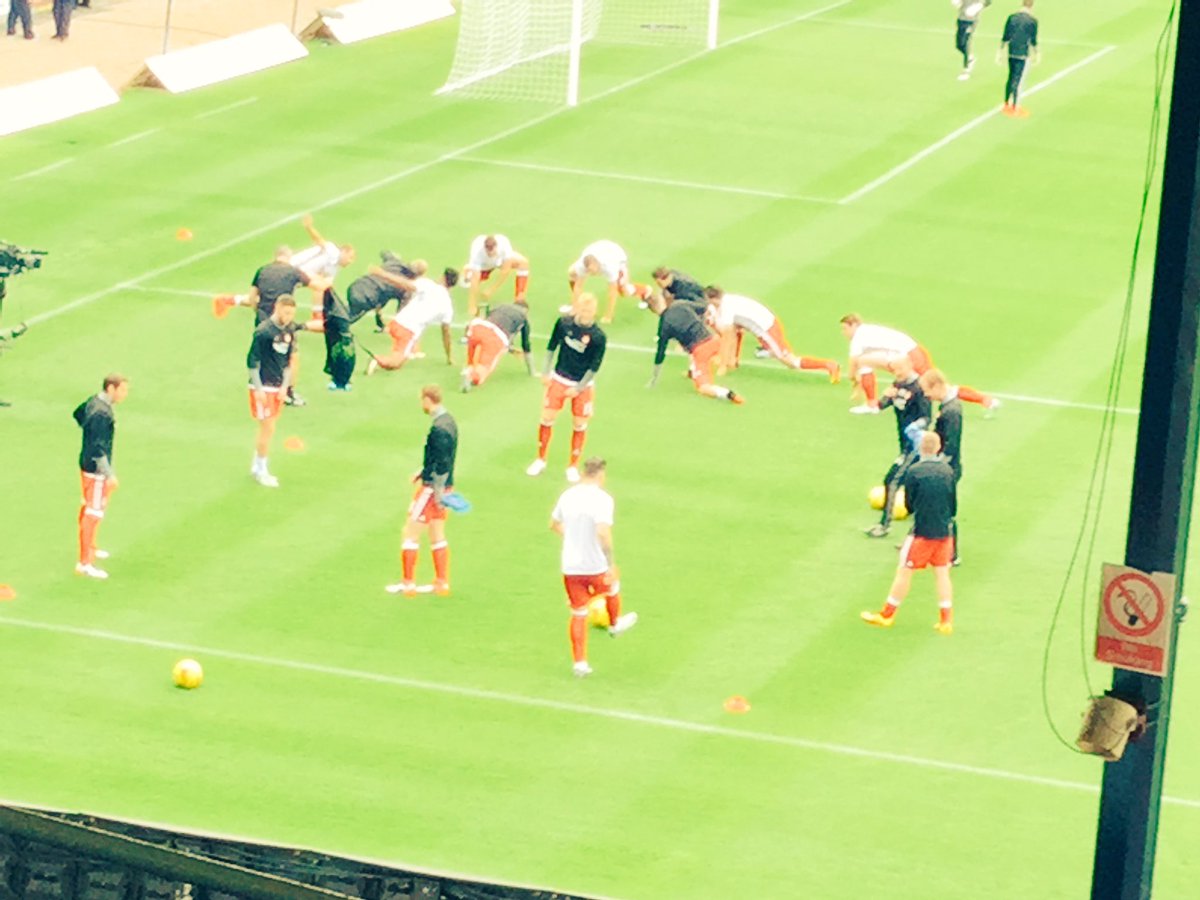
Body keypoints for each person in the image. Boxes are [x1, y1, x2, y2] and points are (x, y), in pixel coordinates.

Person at [861, 431, 956, 634]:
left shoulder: (914, 471)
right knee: (942, 573)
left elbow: (908, 504)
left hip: (922, 532)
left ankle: (887, 615)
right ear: (938, 448)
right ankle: (946, 620)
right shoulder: (948, 471)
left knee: (904, 571)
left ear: (921, 447)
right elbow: (952, 502)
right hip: (944, 531)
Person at [550, 456, 638, 677]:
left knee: (578, 613)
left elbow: (554, 525)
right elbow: (603, 532)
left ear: (583, 473)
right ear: (600, 475)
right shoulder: (603, 499)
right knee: (612, 587)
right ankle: (614, 624)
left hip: (571, 565)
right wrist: (610, 563)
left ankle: (579, 664)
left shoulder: (567, 496)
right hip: (595, 564)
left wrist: (573, 539)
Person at [839, 313, 996, 414]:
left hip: (909, 356)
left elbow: (853, 365)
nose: (844, 333)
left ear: (854, 325)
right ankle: (872, 403)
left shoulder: (858, 338)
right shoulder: (869, 330)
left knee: (935, 388)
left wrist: (853, 381)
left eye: (845, 329)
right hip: (911, 351)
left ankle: (983, 399)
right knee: (865, 363)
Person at [526, 293, 606, 483]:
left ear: (594, 311)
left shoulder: (598, 336)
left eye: (589, 310)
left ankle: (572, 466)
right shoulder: (564, 324)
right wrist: (545, 372)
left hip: (583, 384)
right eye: (583, 309)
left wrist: (578, 388)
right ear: (577, 307)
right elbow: (551, 346)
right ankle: (540, 460)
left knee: (579, 423)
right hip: (560, 377)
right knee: (547, 417)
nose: (586, 313)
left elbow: (594, 367)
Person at [386, 385, 457, 597]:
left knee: (410, 532)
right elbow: (441, 458)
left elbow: (441, 463)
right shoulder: (450, 421)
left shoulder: (439, 429)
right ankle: (441, 582)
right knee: (437, 533)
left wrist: (436, 492)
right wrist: (422, 471)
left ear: (427, 400)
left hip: (432, 489)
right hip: (444, 486)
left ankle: (408, 583)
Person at [705, 286, 840, 381]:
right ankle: (735, 361)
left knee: (790, 362)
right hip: (766, 326)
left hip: (767, 330)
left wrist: (722, 366)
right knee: (784, 357)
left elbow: (728, 337)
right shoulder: (729, 300)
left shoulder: (727, 308)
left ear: (714, 299)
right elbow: (735, 332)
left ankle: (829, 365)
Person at [865, 356, 931, 538]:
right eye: (894, 370)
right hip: (904, 445)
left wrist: (915, 429)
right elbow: (880, 406)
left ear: (909, 366)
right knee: (913, 485)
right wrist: (885, 397)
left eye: (900, 369)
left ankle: (884, 525)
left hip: (915, 446)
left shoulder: (919, 388)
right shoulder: (898, 384)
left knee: (892, 480)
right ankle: (918, 522)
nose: (897, 373)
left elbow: (927, 417)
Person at [72, 374, 129, 579]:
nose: (125, 394)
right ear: (111, 389)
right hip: (96, 470)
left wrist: (87, 433)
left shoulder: (94, 402)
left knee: (91, 508)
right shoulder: (101, 413)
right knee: (93, 512)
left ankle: (91, 548)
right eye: (122, 390)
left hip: (87, 462)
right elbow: (98, 448)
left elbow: (78, 413)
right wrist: (109, 474)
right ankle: (84, 563)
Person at [648, 296, 743, 404]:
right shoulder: (680, 304)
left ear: (653, 311)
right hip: (714, 340)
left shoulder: (664, 325)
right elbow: (703, 308)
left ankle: (728, 394)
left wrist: (655, 377)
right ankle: (695, 370)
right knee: (700, 359)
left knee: (703, 387)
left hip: (700, 351)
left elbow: (660, 354)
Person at [364, 263, 457, 374]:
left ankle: (410, 351)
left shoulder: (427, 284)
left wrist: (382, 274)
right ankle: (376, 360)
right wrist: (449, 357)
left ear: (443, 277)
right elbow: (446, 333)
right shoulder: (447, 306)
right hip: (408, 331)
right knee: (396, 363)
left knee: (405, 348)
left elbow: (404, 284)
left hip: (396, 322)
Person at [247, 296, 299, 488]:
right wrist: (258, 388)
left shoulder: (289, 330)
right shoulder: (263, 331)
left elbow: (287, 362)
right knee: (267, 428)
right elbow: (252, 362)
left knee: (270, 427)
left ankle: (256, 466)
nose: (288, 317)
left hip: (277, 387)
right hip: (263, 386)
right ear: (277, 308)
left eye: (291, 314)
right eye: (286, 313)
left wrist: (285, 387)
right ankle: (262, 470)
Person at [920, 367, 964, 565]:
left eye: (927, 391)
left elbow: (951, 445)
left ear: (936, 386)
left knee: (945, 512)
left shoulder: (951, 410)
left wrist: (937, 467)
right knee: (930, 507)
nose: (926, 396)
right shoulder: (947, 406)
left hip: (947, 470)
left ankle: (952, 555)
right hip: (943, 468)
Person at [568, 240, 654, 323]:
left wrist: (608, 316)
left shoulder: (610, 267)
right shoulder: (581, 265)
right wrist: (575, 309)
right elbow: (578, 286)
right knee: (572, 273)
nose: (592, 274)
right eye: (589, 271)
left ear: (598, 265)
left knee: (623, 290)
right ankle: (579, 304)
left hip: (617, 256)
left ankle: (645, 290)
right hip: (600, 248)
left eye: (594, 271)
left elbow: (612, 291)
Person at [289, 214, 355, 323]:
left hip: (302, 274)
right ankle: (317, 316)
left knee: (322, 286)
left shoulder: (335, 267)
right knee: (320, 285)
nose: (350, 262)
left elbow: (328, 283)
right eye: (350, 257)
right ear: (344, 252)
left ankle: (320, 314)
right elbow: (319, 240)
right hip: (295, 267)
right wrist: (309, 227)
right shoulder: (333, 251)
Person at [462, 299, 532, 391]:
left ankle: (469, 369)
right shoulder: (523, 318)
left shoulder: (501, 306)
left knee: (472, 356)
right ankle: (472, 376)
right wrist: (532, 371)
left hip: (477, 326)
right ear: (525, 310)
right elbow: (526, 345)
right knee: (486, 366)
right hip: (496, 336)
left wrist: (510, 349)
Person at [462, 233, 530, 318]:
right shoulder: (477, 253)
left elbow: (506, 270)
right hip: (484, 265)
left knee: (523, 263)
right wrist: (472, 305)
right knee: (473, 281)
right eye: (488, 252)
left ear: (496, 246)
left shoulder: (504, 244)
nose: (490, 253)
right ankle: (468, 271)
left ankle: (519, 297)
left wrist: (491, 289)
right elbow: (475, 279)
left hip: (499, 261)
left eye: (492, 251)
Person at [999, 0, 1039, 117]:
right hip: (1022, 53)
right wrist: (1037, 54)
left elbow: (1006, 35)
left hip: (1011, 51)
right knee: (1019, 79)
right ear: (1031, 6)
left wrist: (1000, 51)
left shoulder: (1012, 18)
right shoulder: (1032, 21)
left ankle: (1006, 103)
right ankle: (1015, 107)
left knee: (1011, 77)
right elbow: (1033, 40)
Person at [953, 1, 991, 79]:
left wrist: (978, 6)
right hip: (961, 18)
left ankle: (966, 70)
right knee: (959, 45)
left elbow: (988, 2)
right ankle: (970, 58)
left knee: (966, 42)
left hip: (971, 21)